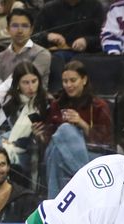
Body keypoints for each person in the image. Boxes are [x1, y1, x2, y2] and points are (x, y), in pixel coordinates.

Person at [44, 60, 112, 198]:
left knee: (62, 138)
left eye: (73, 80)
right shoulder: (57, 105)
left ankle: (54, 203)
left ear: (84, 80)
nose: (68, 85)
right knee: (59, 145)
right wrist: (40, 134)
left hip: (92, 154)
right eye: (65, 81)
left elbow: (107, 141)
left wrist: (81, 123)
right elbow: (49, 139)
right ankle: (86, 183)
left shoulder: (98, 105)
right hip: (66, 158)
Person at [0, 61, 49, 189]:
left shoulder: (44, 105)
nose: (31, 87)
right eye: (26, 83)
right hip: (1, 145)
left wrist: (36, 137)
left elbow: (40, 140)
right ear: (18, 85)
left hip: (26, 153)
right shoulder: (8, 101)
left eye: (34, 81)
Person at [0, 8, 51, 90]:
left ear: (31, 30)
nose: (20, 31)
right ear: (8, 29)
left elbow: (26, 82)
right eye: (15, 26)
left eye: (25, 26)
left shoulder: (42, 54)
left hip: (34, 100)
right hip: (3, 100)